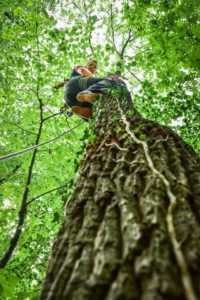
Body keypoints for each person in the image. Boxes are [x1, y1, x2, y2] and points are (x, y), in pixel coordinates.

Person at [53, 60, 127, 120]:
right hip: (77, 84)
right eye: (90, 65)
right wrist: (94, 79)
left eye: (95, 67)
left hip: (70, 101)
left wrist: (59, 85)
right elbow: (83, 71)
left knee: (95, 110)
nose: (92, 66)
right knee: (113, 80)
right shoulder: (79, 69)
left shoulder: (71, 80)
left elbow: (64, 83)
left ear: (95, 71)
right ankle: (85, 95)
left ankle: (89, 112)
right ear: (86, 66)